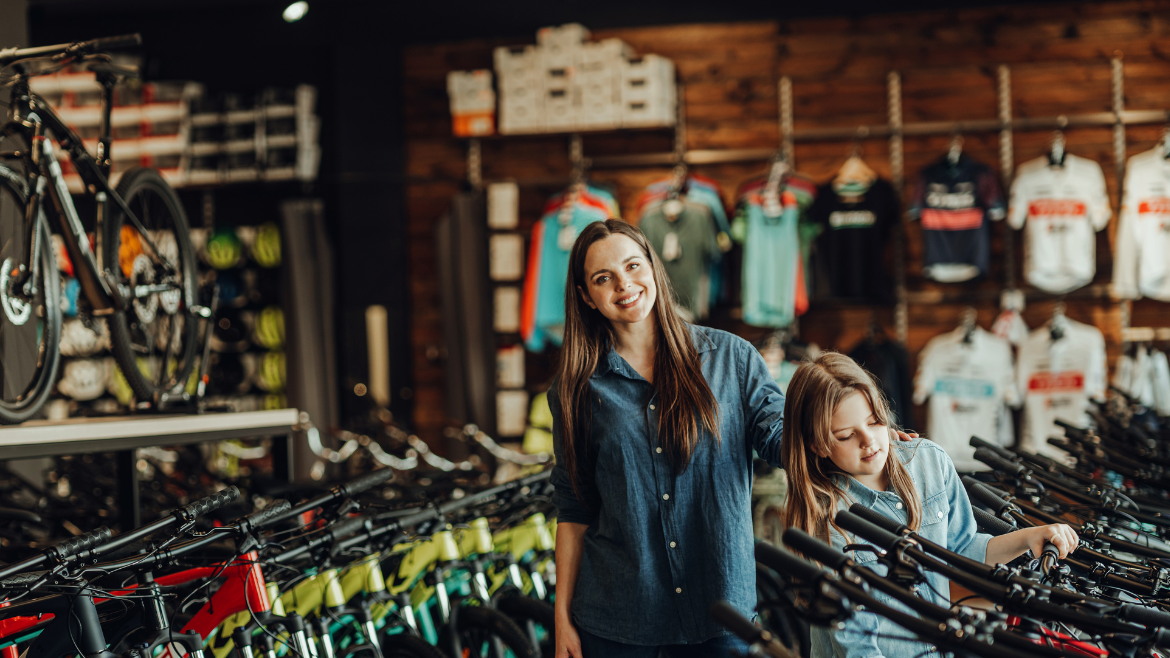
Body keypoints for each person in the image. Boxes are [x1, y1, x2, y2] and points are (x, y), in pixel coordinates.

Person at [549, 219, 910, 658]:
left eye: (633, 265)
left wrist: (858, 432)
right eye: (603, 278)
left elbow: (783, 440)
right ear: (587, 295)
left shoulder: (732, 358)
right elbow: (574, 508)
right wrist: (562, 619)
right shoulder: (576, 389)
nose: (625, 284)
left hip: (720, 613)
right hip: (618, 622)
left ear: (654, 268)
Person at [781, 352, 1080, 658]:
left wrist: (1028, 537)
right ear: (817, 443)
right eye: (846, 436)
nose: (869, 441)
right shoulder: (827, 518)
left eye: (874, 422)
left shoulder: (929, 461)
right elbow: (856, 645)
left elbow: (962, 552)